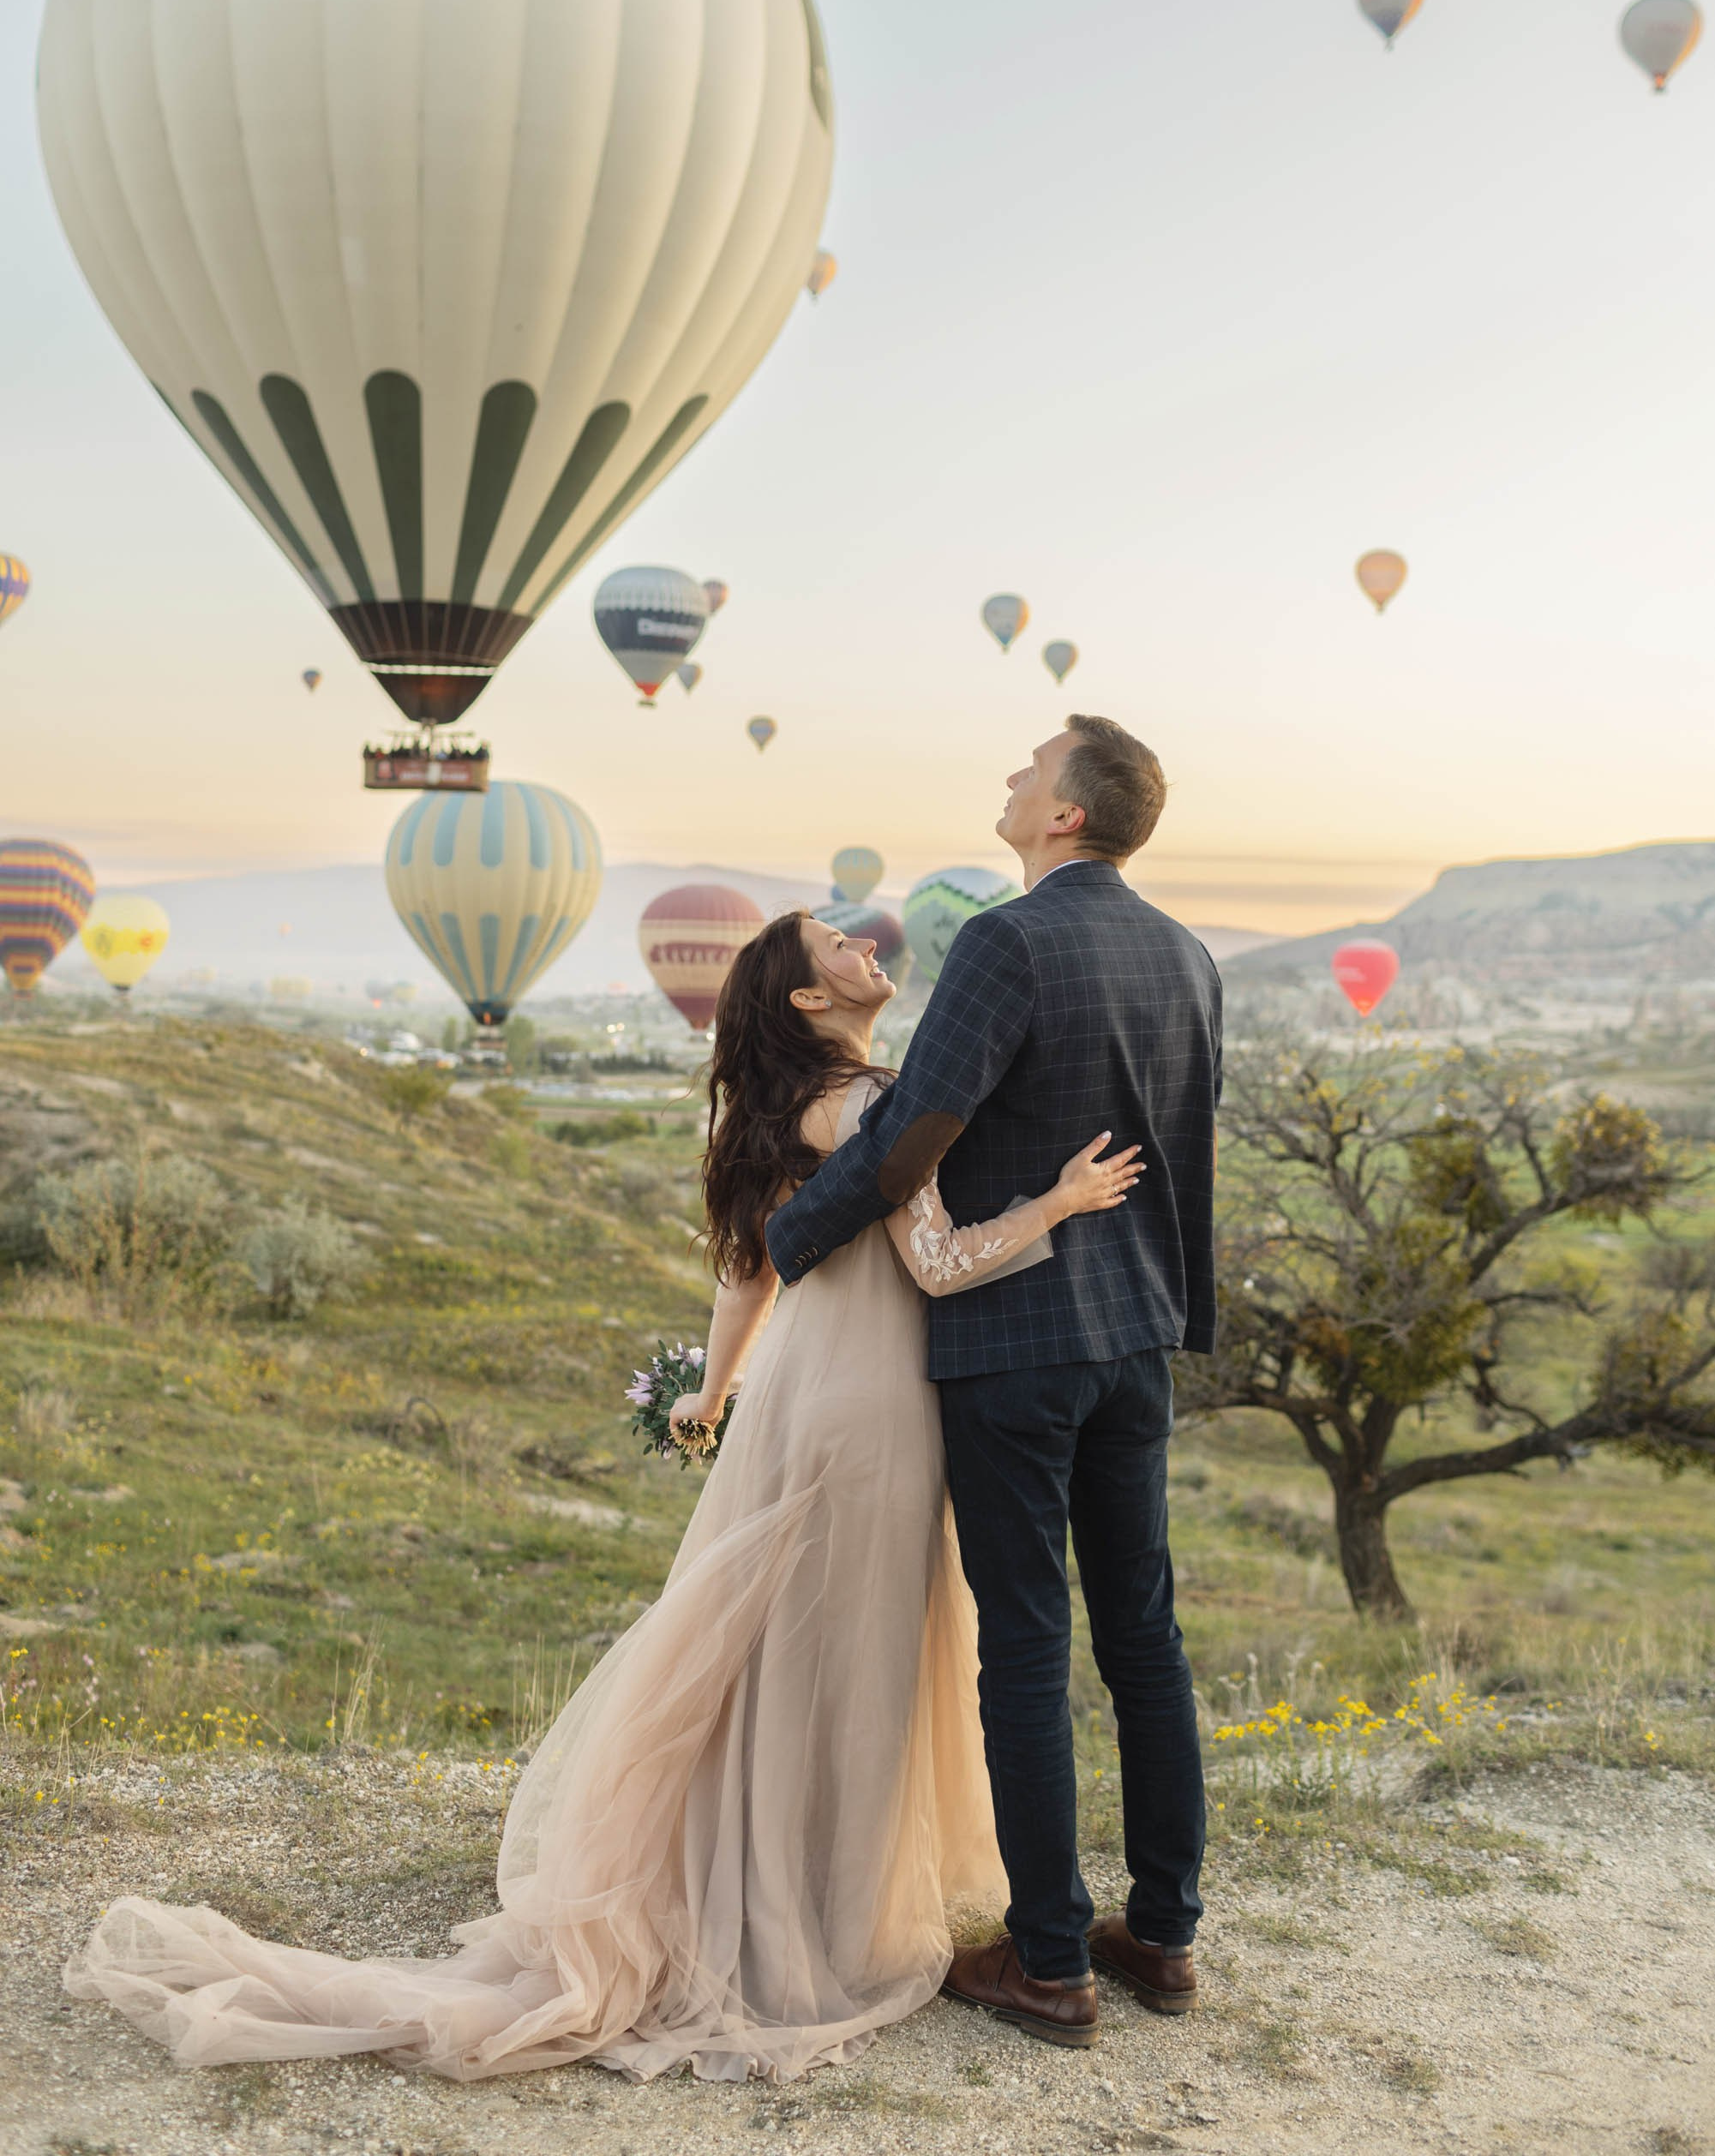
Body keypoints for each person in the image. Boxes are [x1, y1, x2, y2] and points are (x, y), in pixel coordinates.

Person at [65, 914, 1141, 2083]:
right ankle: (821, 1909)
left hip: (802, 1398)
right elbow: (936, 1264)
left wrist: (711, 1398)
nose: (865, 946)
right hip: (878, 1405)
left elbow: (746, 1277)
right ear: (805, 999)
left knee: (784, 1644)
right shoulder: (868, 1104)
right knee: (858, 1650)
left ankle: (765, 1879)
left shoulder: (766, 1113)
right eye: (835, 943)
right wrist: (1059, 1202)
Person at [767, 715, 1221, 2048]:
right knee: (1142, 1638)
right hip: (1134, 1336)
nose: (1011, 778)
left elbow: (915, 1132)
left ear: (1066, 814)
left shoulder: (1004, 941)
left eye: (1031, 768)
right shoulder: (1187, 954)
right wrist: (1174, 1304)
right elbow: (1188, 1152)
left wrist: (793, 1234)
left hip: (1015, 1341)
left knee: (1023, 1644)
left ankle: (1049, 1964)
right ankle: (1163, 1937)